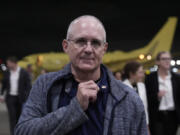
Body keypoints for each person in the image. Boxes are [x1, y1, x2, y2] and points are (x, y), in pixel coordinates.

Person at [15, 15, 148, 135]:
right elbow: (22, 131)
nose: (88, 49)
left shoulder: (129, 98)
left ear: (104, 49)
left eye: (95, 43)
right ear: (65, 46)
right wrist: (75, 108)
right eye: (81, 41)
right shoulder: (45, 85)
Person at [145, 51, 180, 135]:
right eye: (164, 59)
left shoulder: (177, 78)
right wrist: (157, 96)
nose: (167, 61)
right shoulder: (150, 78)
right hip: (157, 116)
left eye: (168, 58)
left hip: (173, 116)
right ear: (157, 62)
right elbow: (146, 98)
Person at [0, 56, 31, 135]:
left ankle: (19, 132)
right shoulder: (7, 72)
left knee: (19, 117)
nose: (7, 65)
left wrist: (26, 95)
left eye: (8, 63)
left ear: (13, 63)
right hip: (10, 97)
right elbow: (4, 84)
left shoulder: (23, 72)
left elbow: (28, 86)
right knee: (12, 117)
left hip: (20, 98)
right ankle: (13, 133)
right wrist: (2, 95)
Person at [122, 61, 150, 134]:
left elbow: (145, 108)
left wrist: (147, 126)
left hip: (141, 126)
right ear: (131, 74)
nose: (143, 75)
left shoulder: (142, 86)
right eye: (140, 72)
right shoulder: (121, 88)